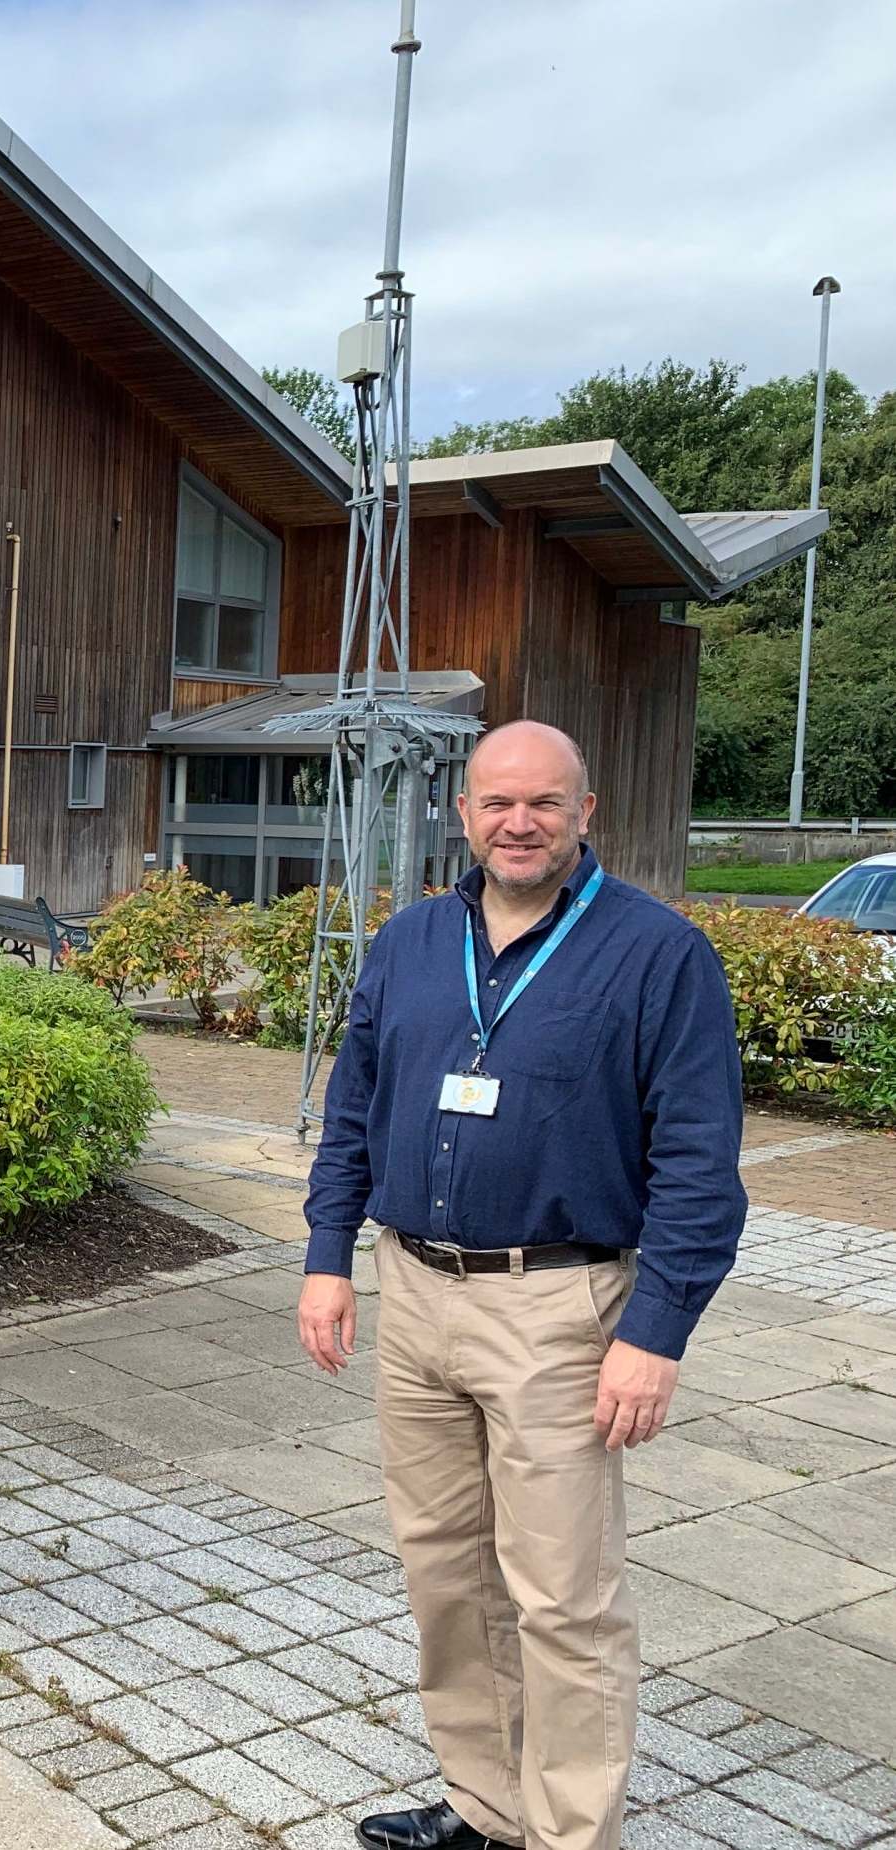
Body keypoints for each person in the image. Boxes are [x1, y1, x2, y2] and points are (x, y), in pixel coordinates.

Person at [296, 721, 745, 1850]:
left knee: (563, 1598)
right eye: (497, 801)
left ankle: (568, 1833)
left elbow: (698, 1162)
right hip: (417, 1294)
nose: (519, 821)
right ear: (463, 811)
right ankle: (487, 1805)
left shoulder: (656, 954)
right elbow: (352, 1111)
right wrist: (325, 1256)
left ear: (584, 811)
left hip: (560, 1306)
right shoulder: (405, 944)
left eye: (544, 801)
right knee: (446, 1572)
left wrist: (657, 1329)